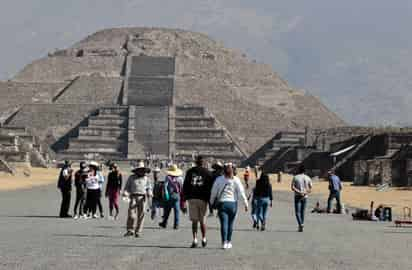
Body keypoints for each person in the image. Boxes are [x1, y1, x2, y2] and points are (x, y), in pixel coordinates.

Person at [210, 163, 248, 250]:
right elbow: (241, 192)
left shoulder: (219, 179)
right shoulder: (236, 180)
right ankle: (229, 242)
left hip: (222, 204)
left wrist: (211, 202)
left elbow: (213, 192)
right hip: (233, 204)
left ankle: (224, 242)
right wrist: (246, 203)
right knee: (230, 224)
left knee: (224, 224)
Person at [183, 156, 213, 248]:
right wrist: (210, 201)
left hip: (192, 198)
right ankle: (204, 238)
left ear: (195, 162)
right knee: (202, 221)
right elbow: (210, 188)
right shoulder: (208, 173)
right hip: (203, 199)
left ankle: (195, 239)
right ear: (203, 163)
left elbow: (185, 186)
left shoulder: (189, 172)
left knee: (194, 221)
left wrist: (184, 199)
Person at [123, 161, 152, 237]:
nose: (142, 171)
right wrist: (125, 193)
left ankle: (138, 231)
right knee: (131, 215)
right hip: (133, 197)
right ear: (137, 170)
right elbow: (127, 187)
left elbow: (149, 187)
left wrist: (149, 192)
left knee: (141, 215)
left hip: (143, 198)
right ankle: (130, 230)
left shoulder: (147, 178)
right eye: (140, 170)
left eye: (143, 170)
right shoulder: (131, 177)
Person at [159, 164, 183, 230]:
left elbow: (165, 186)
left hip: (169, 195)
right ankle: (176, 225)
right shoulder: (180, 178)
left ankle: (164, 223)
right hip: (177, 195)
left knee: (167, 211)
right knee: (177, 211)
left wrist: (165, 194)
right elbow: (182, 187)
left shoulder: (168, 177)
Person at [291, 165, 312, 232]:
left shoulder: (295, 177)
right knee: (303, 212)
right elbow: (310, 188)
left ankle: (300, 224)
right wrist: (305, 193)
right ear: (304, 171)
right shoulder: (308, 178)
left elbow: (292, 187)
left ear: (299, 170)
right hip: (305, 196)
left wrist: (299, 192)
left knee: (297, 212)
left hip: (297, 196)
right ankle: (301, 224)